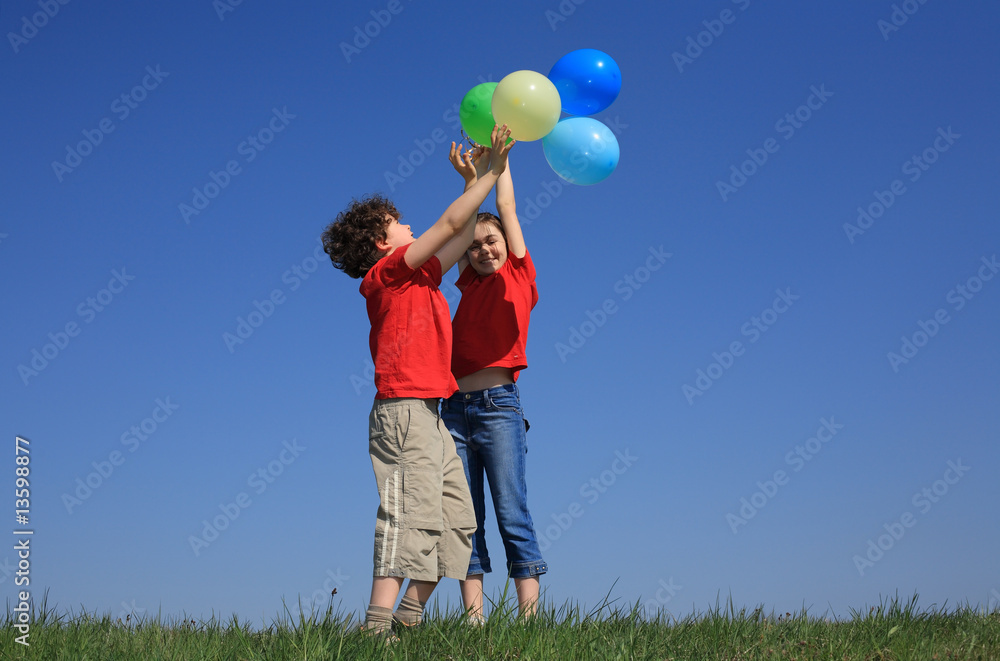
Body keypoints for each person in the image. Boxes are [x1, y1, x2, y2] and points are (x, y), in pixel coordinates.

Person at [321, 125, 514, 638]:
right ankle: (375, 628)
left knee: (457, 520)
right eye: (398, 222)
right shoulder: (385, 275)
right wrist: (491, 171)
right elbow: (451, 221)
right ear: (382, 243)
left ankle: (408, 618)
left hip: (431, 413)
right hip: (402, 412)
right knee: (406, 517)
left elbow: (464, 228)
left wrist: (475, 181)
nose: (408, 224)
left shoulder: (422, 275)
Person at [442, 152, 547, 621]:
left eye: (492, 242)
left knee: (511, 511)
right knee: (465, 518)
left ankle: (529, 620)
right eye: (476, 246)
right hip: (453, 411)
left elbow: (506, 207)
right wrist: (470, 181)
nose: (484, 250)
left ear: (508, 244)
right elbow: (460, 225)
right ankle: (473, 620)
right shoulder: (468, 284)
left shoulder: (519, 274)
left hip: (499, 408)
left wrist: (500, 164)